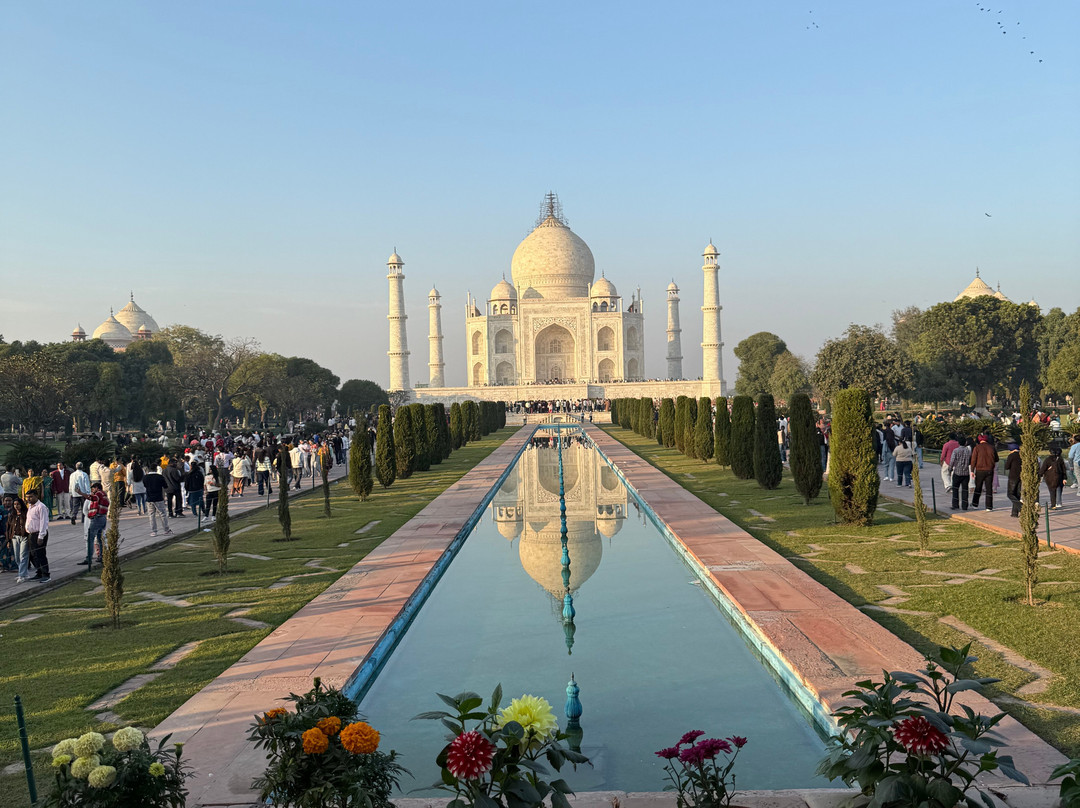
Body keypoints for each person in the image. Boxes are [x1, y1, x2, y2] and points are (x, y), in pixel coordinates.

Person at [24, 488, 50, 583]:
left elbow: (44, 522)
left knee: (40, 554)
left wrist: (41, 536)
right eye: (27, 497)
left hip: (39, 534)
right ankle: (39, 572)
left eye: (31, 497)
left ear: (36, 496)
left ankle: (46, 574)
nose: (29, 499)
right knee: (33, 555)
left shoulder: (41, 507)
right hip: (31, 534)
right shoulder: (30, 506)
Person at [970, 435, 998, 512]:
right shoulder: (992, 447)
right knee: (989, 488)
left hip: (979, 470)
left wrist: (972, 470)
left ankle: (975, 504)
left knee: (978, 487)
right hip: (989, 470)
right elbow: (996, 459)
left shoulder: (977, 448)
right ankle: (989, 506)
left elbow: (973, 460)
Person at [7, 496, 31, 582]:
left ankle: (22, 575)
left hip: (24, 537)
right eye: (14, 504)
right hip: (14, 537)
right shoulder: (12, 514)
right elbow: (9, 528)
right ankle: (25, 573)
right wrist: (8, 540)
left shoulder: (26, 514)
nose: (16, 506)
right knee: (17, 557)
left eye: (18, 504)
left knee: (23, 556)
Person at [143, 464, 172, 537]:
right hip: (159, 497)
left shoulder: (145, 477)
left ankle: (154, 531)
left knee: (151, 515)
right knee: (162, 514)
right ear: (156, 469)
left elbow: (145, 485)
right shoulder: (159, 477)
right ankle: (166, 529)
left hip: (149, 498)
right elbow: (165, 486)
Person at [85, 482, 109, 568]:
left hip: (97, 518)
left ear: (97, 488)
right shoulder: (104, 494)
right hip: (103, 518)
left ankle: (89, 558)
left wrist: (81, 493)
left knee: (90, 538)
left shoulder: (99, 493)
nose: (92, 490)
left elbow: (92, 498)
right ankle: (102, 556)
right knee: (100, 538)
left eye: (93, 488)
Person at [949, 436, 973, 511]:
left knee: (955, 489)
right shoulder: (968, 451)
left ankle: (955, 504)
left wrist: (950, 469)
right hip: (965, 473)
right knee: (965, 490)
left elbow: (952, 461)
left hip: (957, 472)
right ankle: (964, 505)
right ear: (965, 443)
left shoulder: (955, 451)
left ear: (958, 443)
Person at [1004, 443, 1023, 518]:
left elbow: (1007, 466)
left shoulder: (1011, 456)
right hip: (1020, 476)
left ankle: (1020, 506)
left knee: (1010, 494)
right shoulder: (1022, 455)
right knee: (1017, 494)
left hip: (1013, 476)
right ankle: (1014, 513)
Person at [0, 494, 16, 572]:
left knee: (13, 550)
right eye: (6, 500)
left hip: (13, 533)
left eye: (9, 500)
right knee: (3, 550)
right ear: (3, 501)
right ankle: (3, 566)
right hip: (2, 533)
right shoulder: (1, 510)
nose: (8, 502)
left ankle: (14, 566)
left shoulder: (15, 509)